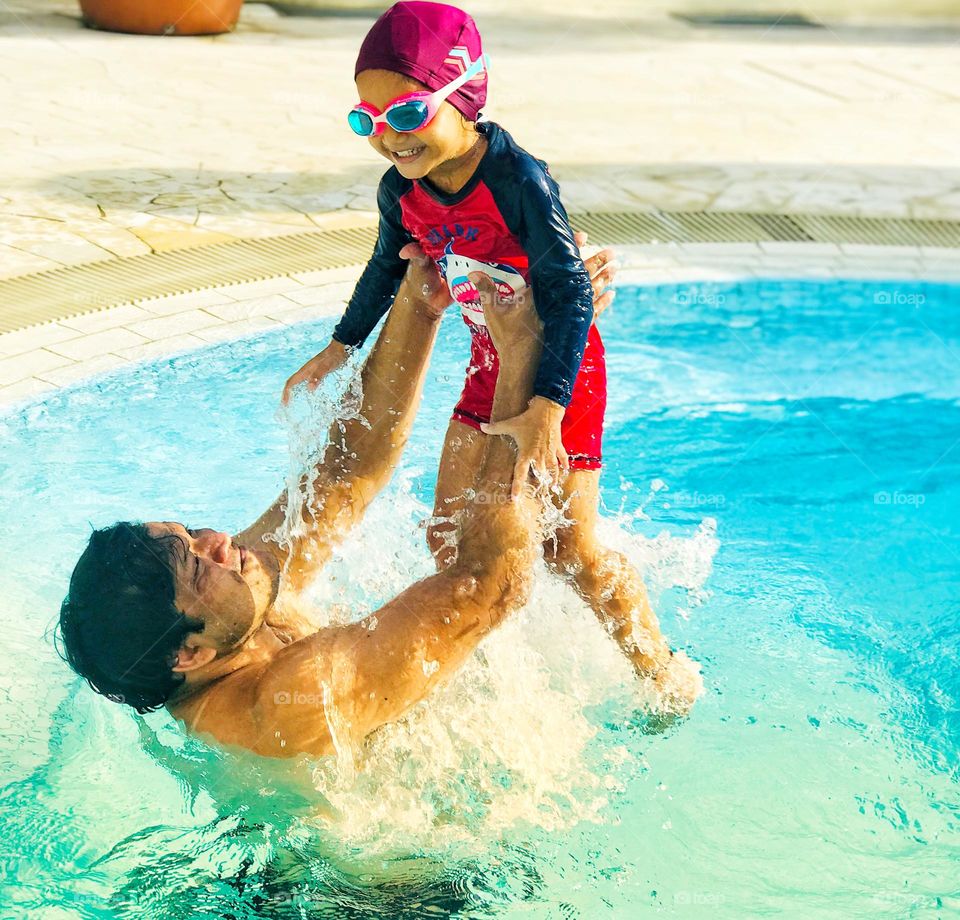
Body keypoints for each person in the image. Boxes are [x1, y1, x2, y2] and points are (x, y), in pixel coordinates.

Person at [59, 239, 696, 759]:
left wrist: (421, 299)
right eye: (199, 563)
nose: (221, 542)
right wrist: (531, 345)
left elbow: (344, 473)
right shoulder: (289, 700)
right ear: (187, 655)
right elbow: (489, 585)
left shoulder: (230, 609)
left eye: (194, 533)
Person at [281, 1, 693, 682]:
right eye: (369, 121)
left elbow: (569, 290)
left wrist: (547, 408)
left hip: (562, 371)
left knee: (571, 548)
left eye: (408, 114)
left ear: (462, 96)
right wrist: (340, 346)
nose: (390, 138)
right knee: (447, 537)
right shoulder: (400, 191)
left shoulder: (517, 180)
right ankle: (493, 668)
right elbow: (387, 266)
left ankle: (662, 671)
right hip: (488, 362)